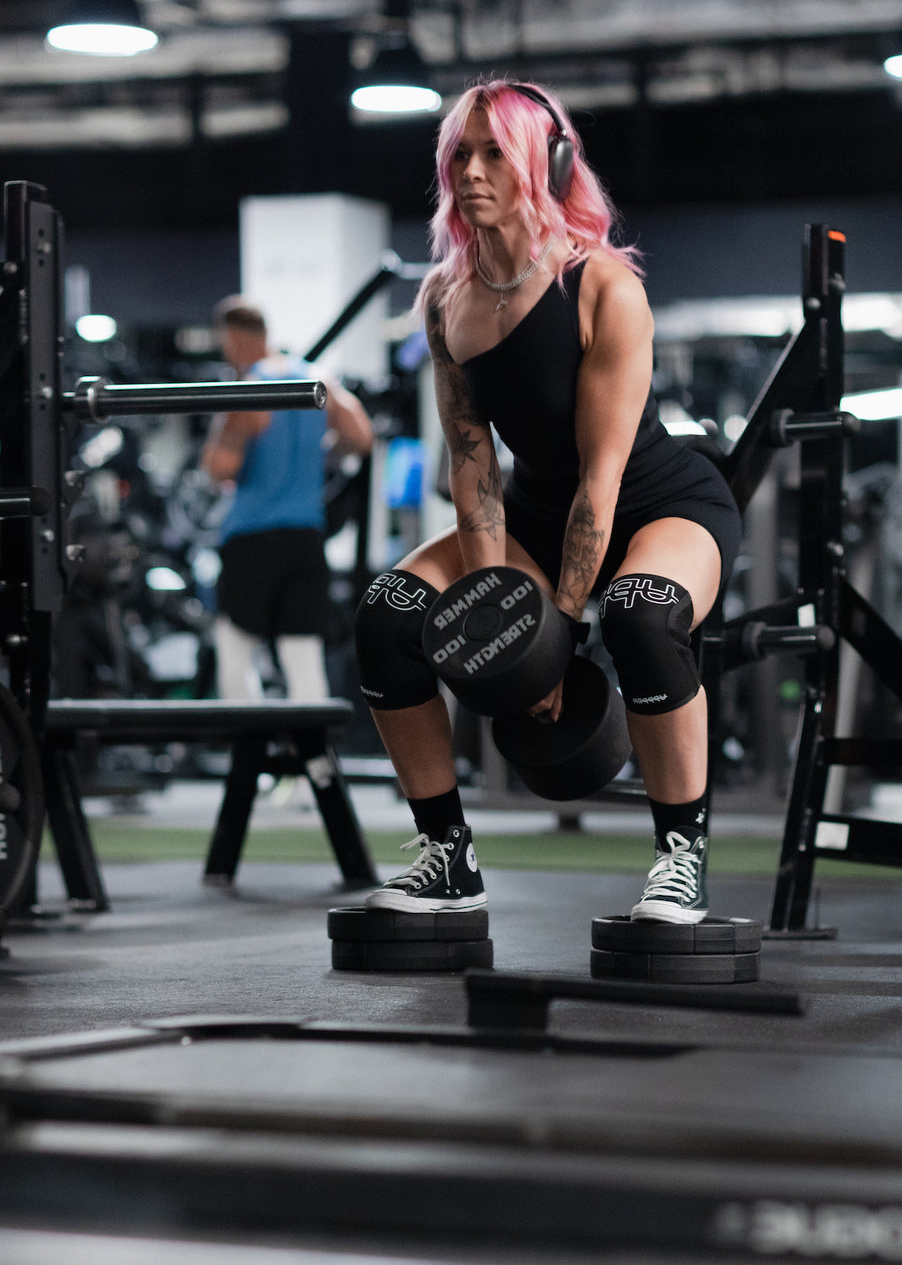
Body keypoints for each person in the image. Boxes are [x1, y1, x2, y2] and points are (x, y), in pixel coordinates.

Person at [354, 80, 740, 924]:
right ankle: (448, 856)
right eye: (460, 152)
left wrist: (553, 645)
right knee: (387, 615)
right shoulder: (445, 299)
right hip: (529, 511)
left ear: (549, 161)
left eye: (496, 152)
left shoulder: (602, 285)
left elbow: (600, 481)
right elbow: (472, 467)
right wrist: (502, 630)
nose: (473, 171)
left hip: (656, 503)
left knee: (639, 615)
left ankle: (681, 856)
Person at [202, 297, 374, 704]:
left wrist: (220, 434)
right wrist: (324, 453)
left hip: (252, 538)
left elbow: (219, 469)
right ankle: (311, 765)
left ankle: (248, 758)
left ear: (234, 339)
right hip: (304, 538)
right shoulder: (317, 380)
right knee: (302, 657)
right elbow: (361, 437)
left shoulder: (249, 391)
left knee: (236, 652)